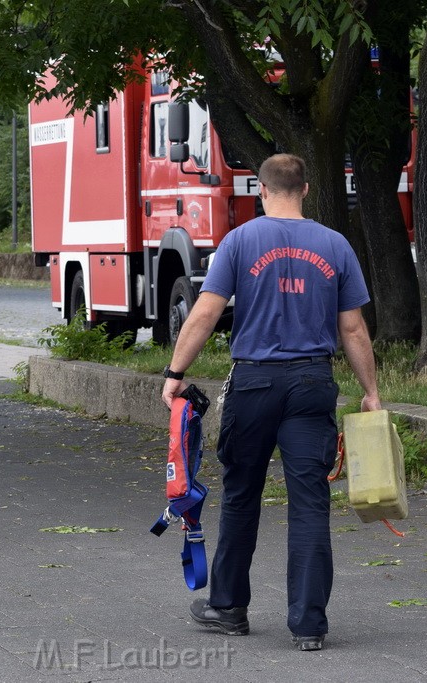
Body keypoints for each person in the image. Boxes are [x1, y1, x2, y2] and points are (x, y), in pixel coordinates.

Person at [160, 153, 381, 652]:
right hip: (311, 384)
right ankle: (308, 625)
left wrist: (175, 373)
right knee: (310, 505)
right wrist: (370, 392)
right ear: (305, 190)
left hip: (254, 385)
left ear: (260, 189)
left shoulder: (239, 241)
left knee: (241, 495)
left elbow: (204, 314)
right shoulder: (335, 245)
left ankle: (230, 607)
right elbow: (353, 328)